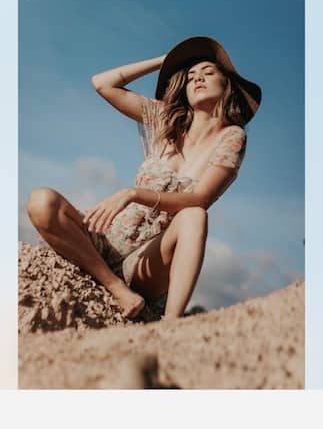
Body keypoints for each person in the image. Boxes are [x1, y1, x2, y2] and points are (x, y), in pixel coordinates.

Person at [27, 36, 262, 320]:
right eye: (190, 77)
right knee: (41, 201)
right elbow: (103, 83)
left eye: (208, 73)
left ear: (227, 85)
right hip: (103, 240)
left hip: (146, 260)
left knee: (194, 216)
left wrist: (133, 193)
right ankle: (114, 287)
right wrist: (165, 61)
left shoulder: (232, 136)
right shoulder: (165, 120)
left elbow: (200, 199)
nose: (198, 78)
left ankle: (171, 325)